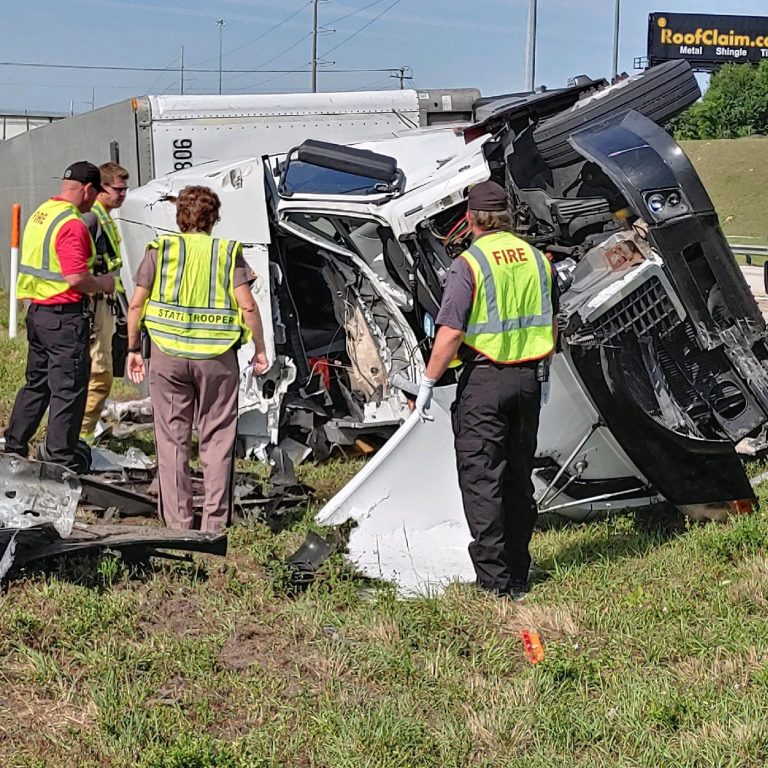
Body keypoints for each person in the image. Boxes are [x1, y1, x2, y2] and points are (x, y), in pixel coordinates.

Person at [414, 180, 558, 600]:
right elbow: (551, 323)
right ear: (508, 216)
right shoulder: (538, 261)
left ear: (471, 218)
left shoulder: (469, 264)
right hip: (528, 381)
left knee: (482, 480)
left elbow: (450, 333)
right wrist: (540, 372)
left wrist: (427, 383)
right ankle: (518, 573)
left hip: (484, 383)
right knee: (518, 477)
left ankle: (494, 584)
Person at [125, 185, 269, 533]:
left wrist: (132, 349)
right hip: (217, 358)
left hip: (168, 355)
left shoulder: (161, 250)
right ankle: (215, 525)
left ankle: (178, 524)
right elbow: (247, 305)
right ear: (214, 218)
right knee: (218, 438)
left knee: (172, 439)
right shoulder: (226, 253)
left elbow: (136, 305)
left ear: (179, 218)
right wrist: (261, 349)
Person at [4, 161, 115, 472]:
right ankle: (59, 462)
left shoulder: (43, 213)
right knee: (68, 390)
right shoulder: (72, 223)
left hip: (38, 314)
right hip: (63, 317)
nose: (93, 203)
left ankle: (14, 445)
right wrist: (103, 284)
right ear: (88, 189)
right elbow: (76, 277)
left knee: (36, 384)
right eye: (95, 196)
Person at [80, 162, 130, 442]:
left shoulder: (105, 217)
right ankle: (82, 436)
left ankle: (87, 427)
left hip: (105, 302)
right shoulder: (92, 219)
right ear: (101, 189)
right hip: (95, 303)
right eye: (118, 189)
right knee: (99, 374)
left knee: (101, 372)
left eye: (125, 189)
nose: (123, 194)